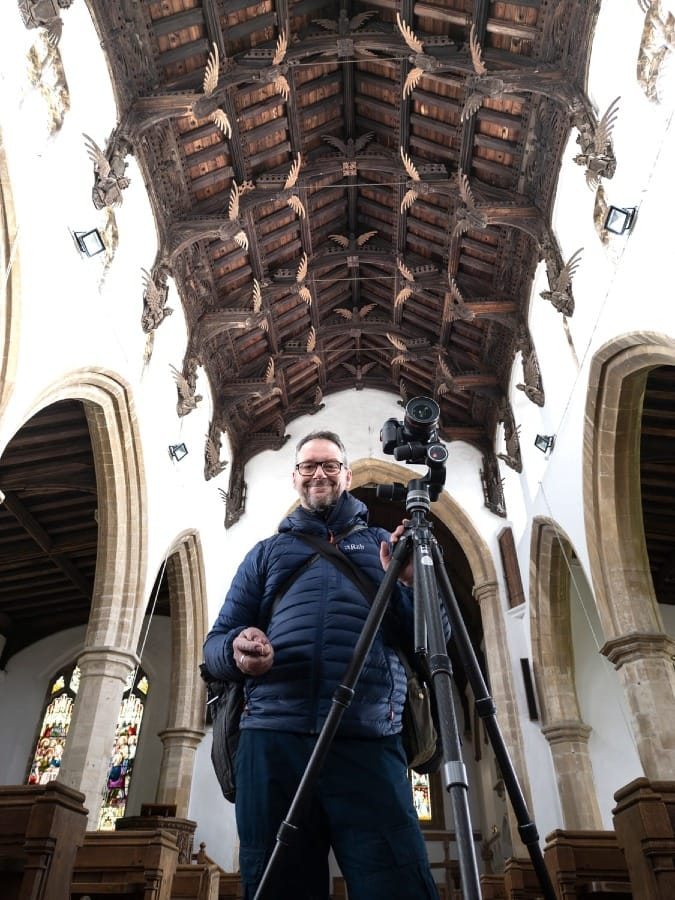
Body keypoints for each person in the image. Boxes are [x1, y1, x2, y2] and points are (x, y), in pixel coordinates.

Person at [203, 430, 439, 900]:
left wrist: (413, 584)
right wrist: (238, 649)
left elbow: (436, 642)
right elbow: (214, 647)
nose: (319, 474)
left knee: (398, 886)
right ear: (295, 477)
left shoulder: (386, 546)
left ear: (347, 476)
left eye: (330, 465)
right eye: (309, 466)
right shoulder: (265, 554)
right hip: (274, 740)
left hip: (368, 739)